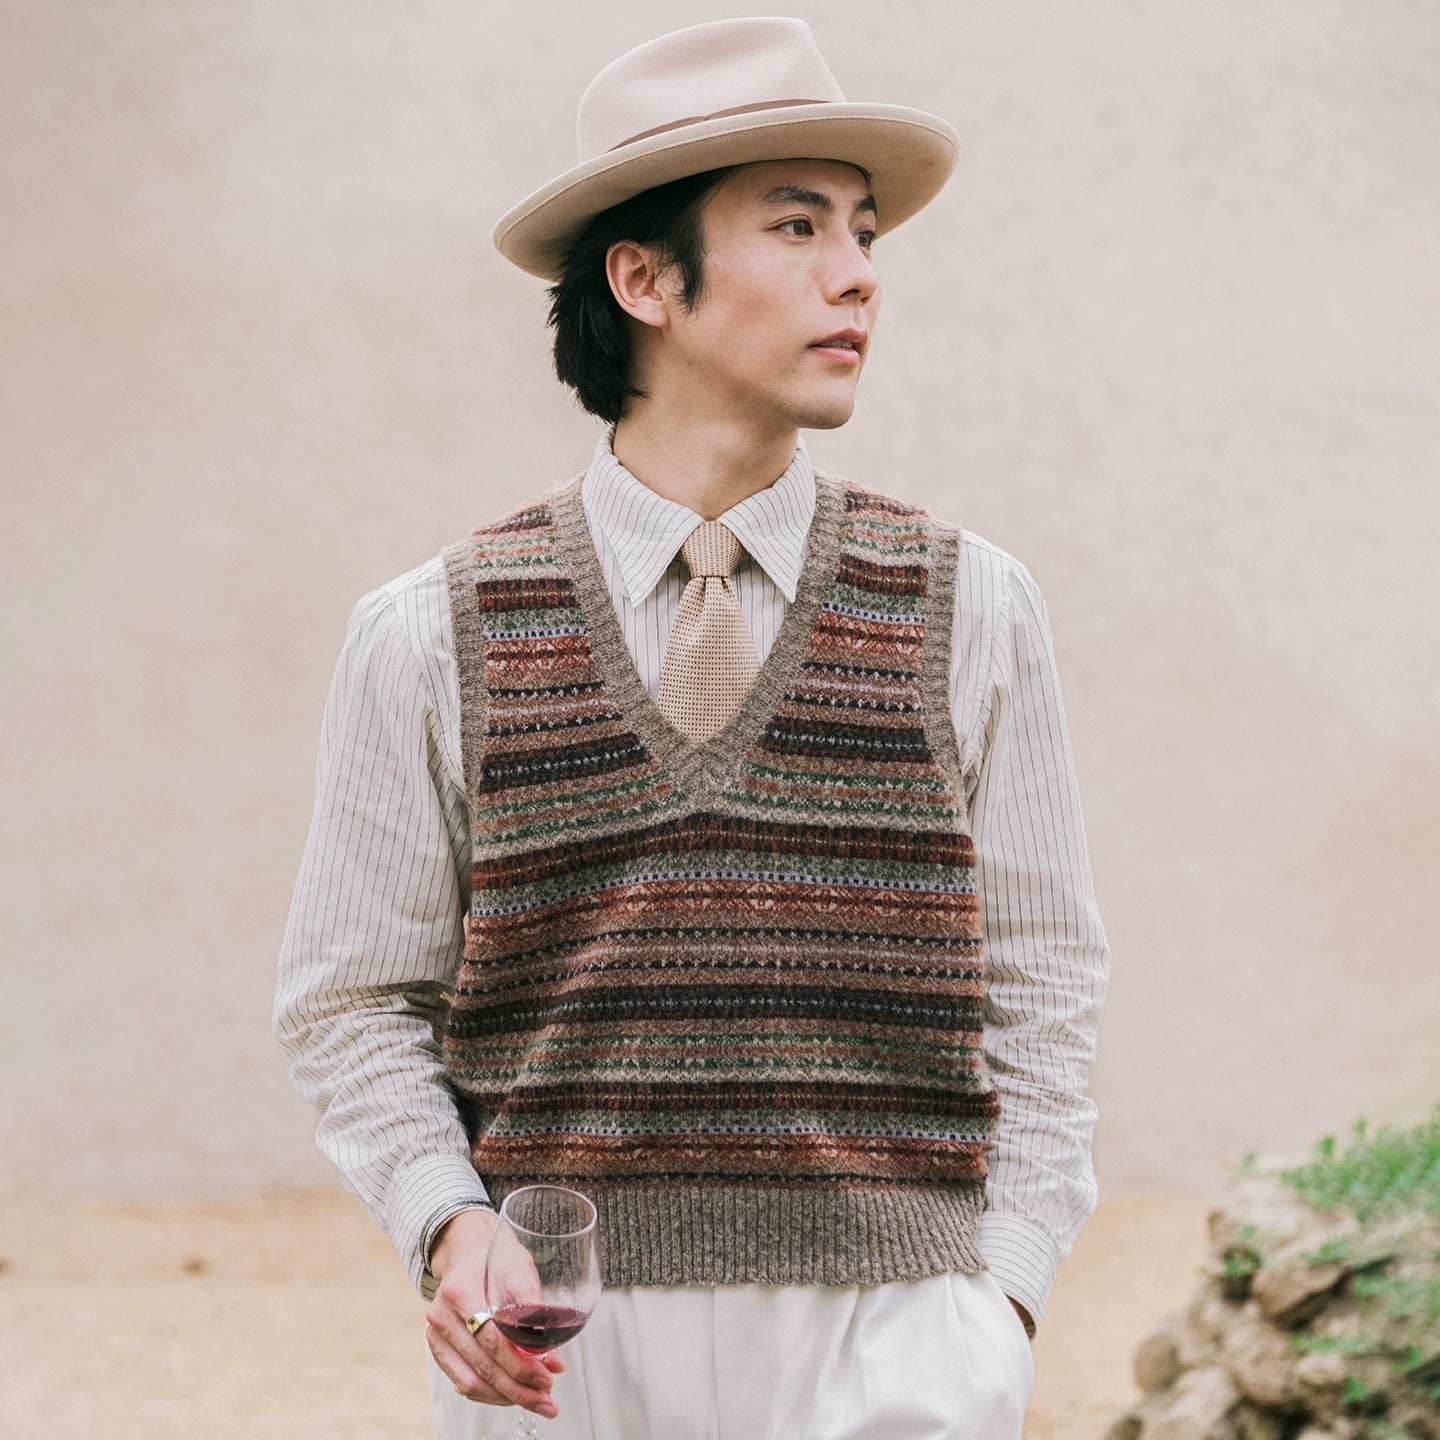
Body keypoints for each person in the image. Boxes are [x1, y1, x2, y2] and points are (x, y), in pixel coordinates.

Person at [275, 17, 1109, 1440]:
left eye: (862, 232)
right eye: (797, 225)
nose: (859, 272)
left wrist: (998, 1308)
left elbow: (1047, 982)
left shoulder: (973, 606)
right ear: (645, 278)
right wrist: (446, 1224)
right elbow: (351, 1000)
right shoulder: (427, 631)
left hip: (894, 1344)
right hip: (556, 1359)